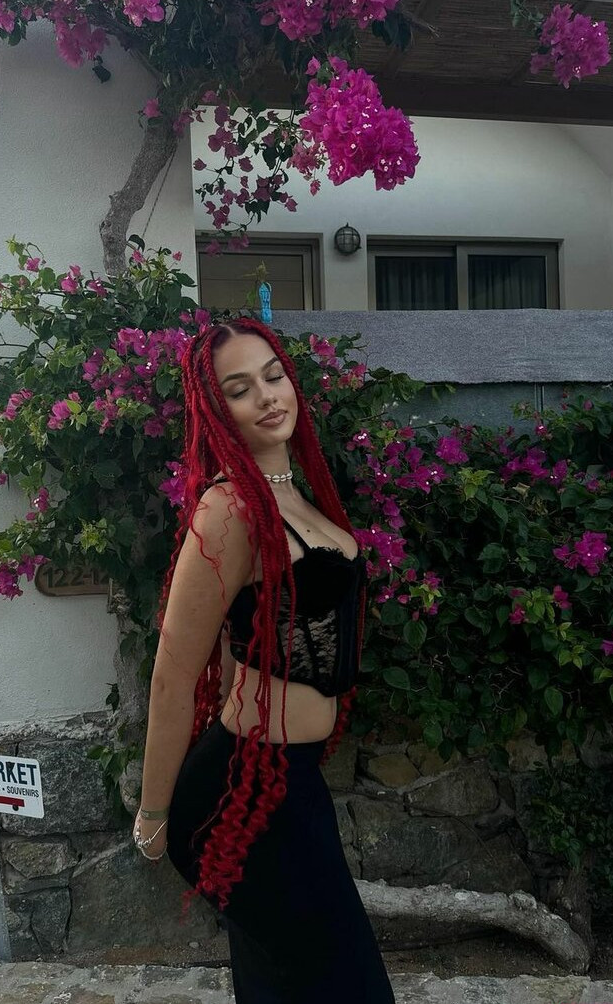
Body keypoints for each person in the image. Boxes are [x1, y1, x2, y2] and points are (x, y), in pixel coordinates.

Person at [131, 317, 396, 1003]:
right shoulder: (229, 509)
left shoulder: (295, 497)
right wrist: (153, 814)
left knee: (284, 983)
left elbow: (253, 640)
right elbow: (173, 676)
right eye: (240, 388)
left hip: (290, 783)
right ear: (217, 410)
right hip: (239, 791)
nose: (268, 396)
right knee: (344, 986)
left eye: (274, 375)